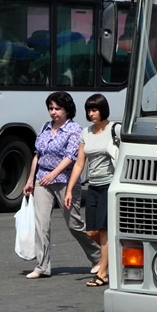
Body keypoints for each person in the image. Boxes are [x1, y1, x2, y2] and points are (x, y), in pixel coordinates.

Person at [22, 91, 101, 279]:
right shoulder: (45, 128)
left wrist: (53, 174)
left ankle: (98, 257)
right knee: (41, 224)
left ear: (67, 110)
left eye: (58, 108)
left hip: (66, 181)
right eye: (51, 108)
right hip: (43, 180)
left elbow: (70, 158)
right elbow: (37, 155)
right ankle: (42, 266)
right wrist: (30, 180)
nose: (53, 112)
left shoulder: (75, 130)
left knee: (74, 224)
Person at [65, 94, 119, 287]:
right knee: (91, 232)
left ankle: (103, 273)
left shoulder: (115, 129)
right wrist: (70, 189)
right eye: (89, 110)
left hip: (110, 185)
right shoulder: (86, 133)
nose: (91, 113)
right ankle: (113, 255)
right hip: (93, 186)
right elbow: (79, 164)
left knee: (103, 231)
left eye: (95, 109)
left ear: (103, 109)